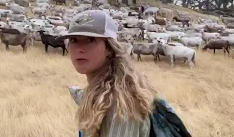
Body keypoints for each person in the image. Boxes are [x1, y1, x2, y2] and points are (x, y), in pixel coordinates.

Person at [58, 10, 191, 137]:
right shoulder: (97, 94)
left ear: (110, 48)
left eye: (90, 40)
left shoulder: (121, 105)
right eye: (74, 40)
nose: (80, 49)